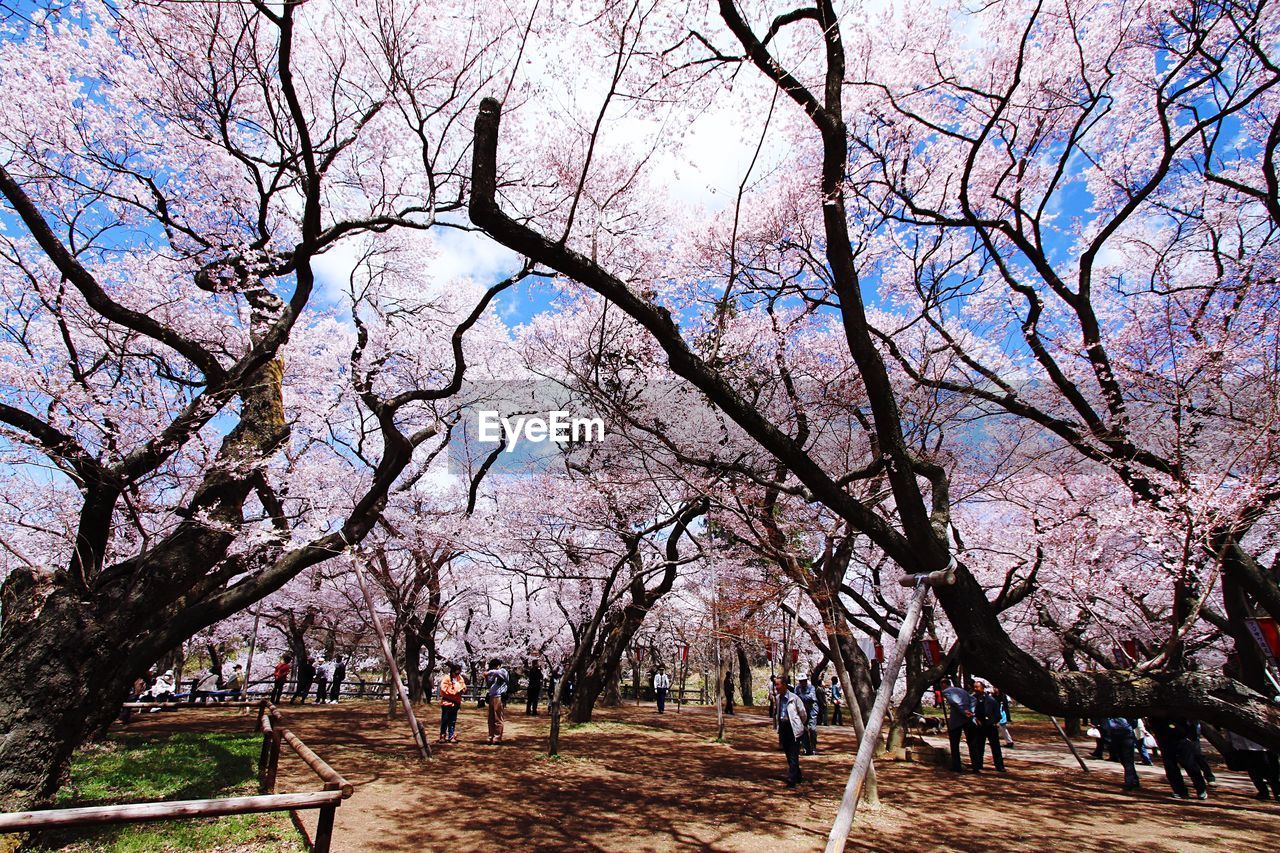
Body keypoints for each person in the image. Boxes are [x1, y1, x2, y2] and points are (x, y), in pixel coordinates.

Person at [1150, 716, 1208, 800]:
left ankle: (1201, 789)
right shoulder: (1155, 713)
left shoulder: (1178, 710)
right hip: (1165, 742)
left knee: (1190, 766)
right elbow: (1153, 723)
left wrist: (1189, 736)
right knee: (1171, 768)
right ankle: (1180, 791)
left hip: (1181, 740)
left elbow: (1190, 723)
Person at [1226, 730, 1280, 800]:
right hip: (1244, 748)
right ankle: (1263, 792)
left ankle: (1277, 792)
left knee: (1271, 771)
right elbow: (1229, 734)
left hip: (1265, 747)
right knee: (1253, 771)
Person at [773, 676, 807, 788]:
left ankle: (791, 779)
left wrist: (799, 725)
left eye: (778, 684)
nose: (776, 687)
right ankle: (798, 775)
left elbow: (803, 714)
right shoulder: (778, 698)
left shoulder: (794, 698)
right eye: (775, 684)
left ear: (784, 685)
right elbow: (777, 713)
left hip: (794, 728)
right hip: (784, 727)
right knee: (788, 753)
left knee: (793, 754)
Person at [939, 678, 978, 772]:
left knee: (954, 743)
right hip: (968, 719)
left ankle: (956, 766)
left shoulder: (947, 691)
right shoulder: (961, 690)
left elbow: (955, 702)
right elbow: (973, 699)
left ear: (944, 684)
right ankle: (976, 766)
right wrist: (971, 711)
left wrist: (965, 712)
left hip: (957, 719)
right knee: (972, 743)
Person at [972, 681, 1006, 772]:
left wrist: (994, 722)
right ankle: (978, 764)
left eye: (977, 687)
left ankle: (999, 766)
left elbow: (997, 714)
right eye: (974, 687)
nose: (975, 689)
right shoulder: (973, 699)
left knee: (995, 746)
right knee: (979, 746)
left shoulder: (991, 700)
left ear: (982, 688)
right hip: (979, 726)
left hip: (990, 726)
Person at [1104, 716, 1141, 790]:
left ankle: (1129, 783)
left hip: (1127, 734)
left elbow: (1134, 723)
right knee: (1122, 758)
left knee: (1128, 760)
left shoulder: (1127, 711)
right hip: (1114, 734)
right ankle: (1134, 779)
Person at [439, 663, 466, 743]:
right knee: (445, 720)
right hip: (447, 703)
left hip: (456, 703)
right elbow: (444, 689)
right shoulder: (447, 678)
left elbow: (463, 686)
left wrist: (462, 690)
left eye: (459, 673)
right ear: (452, 672)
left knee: (453, 721)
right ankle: (442, 735)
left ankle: (451, 736)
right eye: (456, 673)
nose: (457, 675)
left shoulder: (460, 678)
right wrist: (454, 691)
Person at [484, 658, 509, 744]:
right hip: (492, 696)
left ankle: (497, 737)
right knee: (491, 718)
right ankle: (491, 736)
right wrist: (487, 677)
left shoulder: (503, 671)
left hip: (499, 697)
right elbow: (489, 684)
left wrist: (489, 672)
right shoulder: (493, 674)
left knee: (498, 717)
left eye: (494, 667)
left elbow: (499, 673)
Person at [795, 674, 818, 755]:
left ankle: (813, 747)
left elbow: (811, 697)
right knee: (803, 729)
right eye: (800, 681)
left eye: (803, 681)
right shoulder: (797, 688)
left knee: (812, 729)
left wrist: (801, 696)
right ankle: (806, 748)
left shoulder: (811, 687)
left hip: (812, 710)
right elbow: (795, 698)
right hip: (802, 710)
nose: (802, 682)